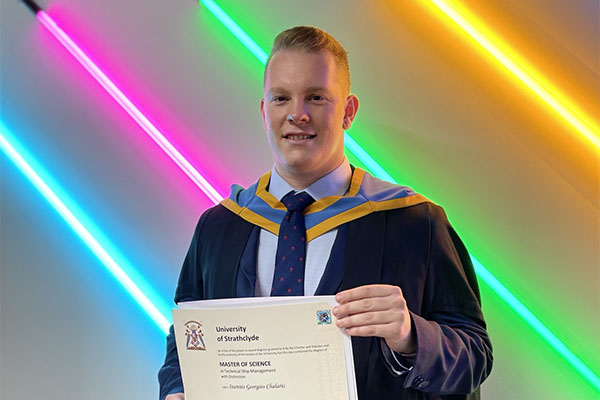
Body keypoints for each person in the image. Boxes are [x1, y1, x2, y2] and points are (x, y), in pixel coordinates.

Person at [158, 26, 492, 400]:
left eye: (316, 97)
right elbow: (187, 338)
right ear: (264, 111)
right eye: (281, 98)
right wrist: (177, 391)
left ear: (348, 112)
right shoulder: (220, 227)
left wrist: (411, 335)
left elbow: (474, 354)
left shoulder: (413, 223)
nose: (297, 114)